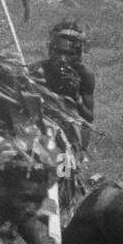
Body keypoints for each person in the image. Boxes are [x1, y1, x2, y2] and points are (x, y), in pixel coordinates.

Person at [29, 20, 95, 149]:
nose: (62, 58)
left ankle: (67, 166)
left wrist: (76, 97)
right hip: (42, 125)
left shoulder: (84, 75)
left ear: (78, 55)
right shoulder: (37, 70)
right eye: (58, 51)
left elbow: (88, 119)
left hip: (71, 127)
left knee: (64, 157)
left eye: (69, 54)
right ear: (50, 49)